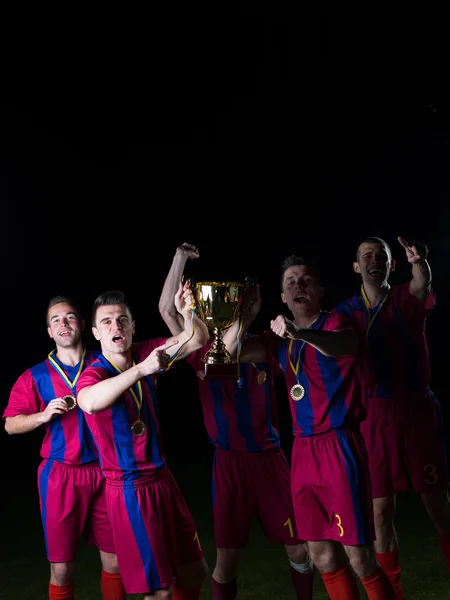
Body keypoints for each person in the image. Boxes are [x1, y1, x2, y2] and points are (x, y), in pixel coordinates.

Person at [229, 254, 396, 600]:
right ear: (283, 298)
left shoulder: (337, 322)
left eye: (306, 280)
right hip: (303, 452)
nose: (298, 286)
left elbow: (343, 347)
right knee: (320, 555)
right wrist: (247, 315)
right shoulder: (278, 341)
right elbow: (231, 352)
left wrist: (300, 332)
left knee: (360, 557)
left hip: (340, 445)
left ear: (320, 290)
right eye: (290, 282)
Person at [159, 243, 314, 600]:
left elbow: (233, 352)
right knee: (227, 560)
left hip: (271, 461)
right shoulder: (197, 348)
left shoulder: (263, 344)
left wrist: (248, 314)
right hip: (229, 464)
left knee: (299, 549)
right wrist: (180, 259)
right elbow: (168, 310)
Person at [76, 284, 209, 600]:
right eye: (106, 322)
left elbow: (199, 339)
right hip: (130, 489)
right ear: (96, 333)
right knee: (157, 591)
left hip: (163, 480)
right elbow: (89, 401)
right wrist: (142, 369)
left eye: (122, 319)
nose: (116, 326)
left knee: (194, 571)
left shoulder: (145, 352)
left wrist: (187, 310)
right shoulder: (94, 374)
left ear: (133, 327)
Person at [337, 236, 450, 599]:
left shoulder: (405, 297)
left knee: (437, 502)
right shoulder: (347, 312)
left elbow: (423, 284)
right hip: (374, 416)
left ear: (391, 264)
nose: (374, 261)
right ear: (356, 267)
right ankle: (394, 594)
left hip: (416, 409)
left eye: (381, 256)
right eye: (366, 256)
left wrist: (420, 262)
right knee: (381, 511)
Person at [3, 296, 125, 600]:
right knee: (61, 569)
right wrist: (42, 415)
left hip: (106, 471)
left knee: (115, 561)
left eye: (70, 317)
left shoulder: (105, 363)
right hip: (60, 476)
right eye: (56, 320)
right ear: (49, 331)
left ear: (83, 325)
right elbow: (9, 424)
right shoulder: (35, 375)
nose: (63, 324)